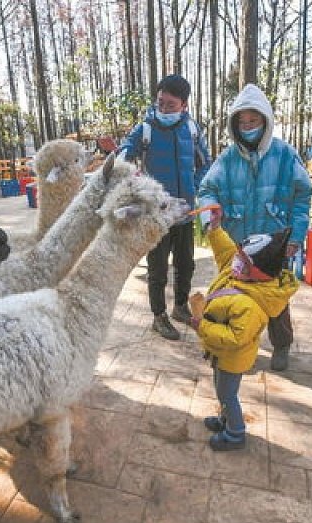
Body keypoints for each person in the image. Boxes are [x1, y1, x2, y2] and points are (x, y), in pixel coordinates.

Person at [197, 83, 312, 370]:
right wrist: (211, 214)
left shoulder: (285, 154)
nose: (248, 126)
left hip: (275, 245)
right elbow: (207, 189)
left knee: (273, 297)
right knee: (232, 294)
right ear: (235, 124)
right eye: (242, 121)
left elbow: (303, 197)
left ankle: (282, 344)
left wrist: (296, 237)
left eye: (254, 120)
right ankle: (229, 346)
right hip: (238, 241)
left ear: (266, 121)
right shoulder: (227, 157)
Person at [189, 206, 299, 451]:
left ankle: (236, 433)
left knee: (227, 394)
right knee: (221, 390)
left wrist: (202, 327)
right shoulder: (241, 273)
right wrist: (215, 229)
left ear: (257, 272)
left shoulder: (251, 304)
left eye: (242, 260)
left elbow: (235, 338)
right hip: (220, 353)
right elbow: (226, 251)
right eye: (238, 255)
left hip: (232, 357)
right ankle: (224, 419)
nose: (235, 261)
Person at [118, 75, 212, 341]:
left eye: (171, 104)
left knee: (186, 265)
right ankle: (158, 317)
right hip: (156, 215)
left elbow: (205, 163)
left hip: (184, 213)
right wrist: (122, 163)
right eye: (161, 102)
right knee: (157, 269)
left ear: (183, 105)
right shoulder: (145, 129)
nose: (164, 109)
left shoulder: (192, 129)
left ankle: (180, 307)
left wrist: (193, 188)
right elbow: (126, 151)